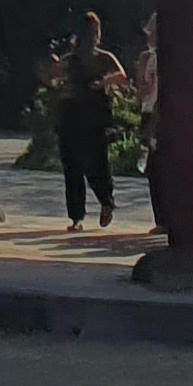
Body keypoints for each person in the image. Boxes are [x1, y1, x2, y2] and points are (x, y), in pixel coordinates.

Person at [47, 12, 126, 230]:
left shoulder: (102, 58)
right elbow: (54, 79)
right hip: (78, 115)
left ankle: (100, 204)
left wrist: (103, 82)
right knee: (79, 165)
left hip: (87, 115)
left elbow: (121, 76)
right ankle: (83, 213)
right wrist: (57, 74)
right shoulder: (73, 59)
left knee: (90, 163)